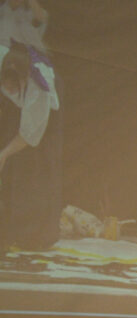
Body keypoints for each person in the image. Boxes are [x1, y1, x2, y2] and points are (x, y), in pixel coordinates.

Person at [0, 39, 60, 250]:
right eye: (5, 83)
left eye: (12, 85)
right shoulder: (2, 59)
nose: (8, 88)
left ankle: (33, 235)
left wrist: (4, 154)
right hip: (15, 107)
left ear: (24, 77)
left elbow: (28, 135)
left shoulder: (38, 89)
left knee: (31, 169)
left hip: (41, 121)